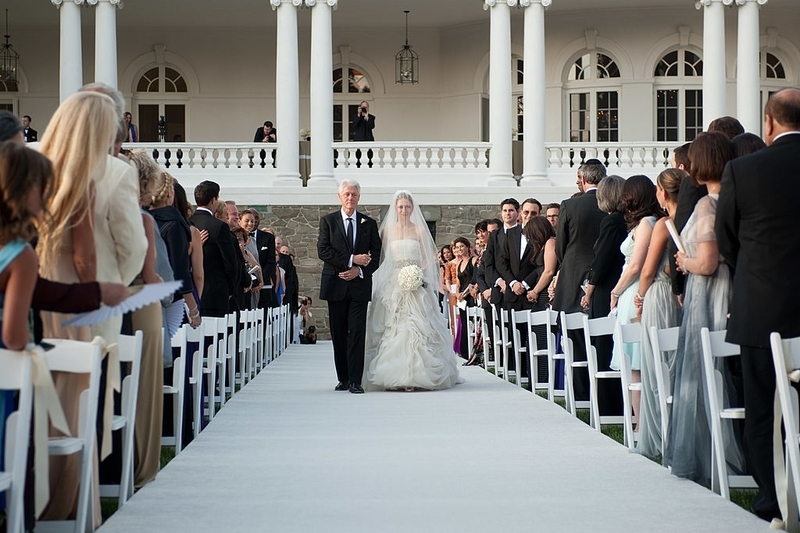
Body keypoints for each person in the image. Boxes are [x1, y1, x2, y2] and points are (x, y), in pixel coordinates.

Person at [716, 88, 800, 524]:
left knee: (763, 409)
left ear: (768, 123)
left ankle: (772, 502)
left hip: (760, 308)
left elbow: (726, 236)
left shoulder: (742, 169)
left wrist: (751, 269)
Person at [667, 131, 744, 488]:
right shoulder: (738, 196)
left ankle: (710, 453)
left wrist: (684, 259)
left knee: (702, 371)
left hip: (709, 291)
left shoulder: (708, 204)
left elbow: (709, 262)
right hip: (725, 288)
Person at [364, 190, 462, 391]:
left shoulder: (419, 230)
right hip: (393, 282)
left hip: (415, 281)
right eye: (400, 207)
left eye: (407, 206)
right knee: (393, 326)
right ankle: (393, 374)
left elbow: (428, 258)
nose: (404, 210)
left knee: (417, 326)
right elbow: (379, 256)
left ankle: (417, 375)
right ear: (395, 208)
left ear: (412, 208)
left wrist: (417, 272)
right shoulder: (387, 231)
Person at [634, 168, 687, 460]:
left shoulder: (664, 224)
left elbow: (647, 270)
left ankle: (657, 437)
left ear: (663, 193)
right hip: (682, 298)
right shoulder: (692, 219)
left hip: (659, 297)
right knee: (677, 367)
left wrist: (640, 299)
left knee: (656, 369)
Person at [607, 175, 664, 430]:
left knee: (637, 366)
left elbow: (636, 266)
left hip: (633, 293)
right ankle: (641, 422)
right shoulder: (645, 223)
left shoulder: (646, 225)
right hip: (632, 293)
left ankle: (642, 425)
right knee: (634, 366)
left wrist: (616, 292)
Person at [317, 179, 382, 394]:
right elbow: (323, 251)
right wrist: (352, 259)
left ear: (359, 197)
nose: (350, 198)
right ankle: (342, 378)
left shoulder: (369, 224)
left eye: (354, 194)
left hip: (359, 286)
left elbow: (376, 255)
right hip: (335, 284)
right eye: (346, 194)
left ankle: (355, 380)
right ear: (339, 197)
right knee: (338, 333)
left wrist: (359, 270)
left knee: (356, 333)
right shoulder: (328, 221)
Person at [580, 175, 626, 417]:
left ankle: (609, 407)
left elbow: (601, 260)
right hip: (615, 287)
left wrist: (589, 289)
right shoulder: (625, 220)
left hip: (606, 290)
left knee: (604, 345)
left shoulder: (611, 222)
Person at [189, 181, 242, 317]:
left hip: (190, 292)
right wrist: (230, 289)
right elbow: (231, 263)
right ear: (214, 200)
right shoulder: (219, 227)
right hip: (216, 294)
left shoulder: (187, 222)